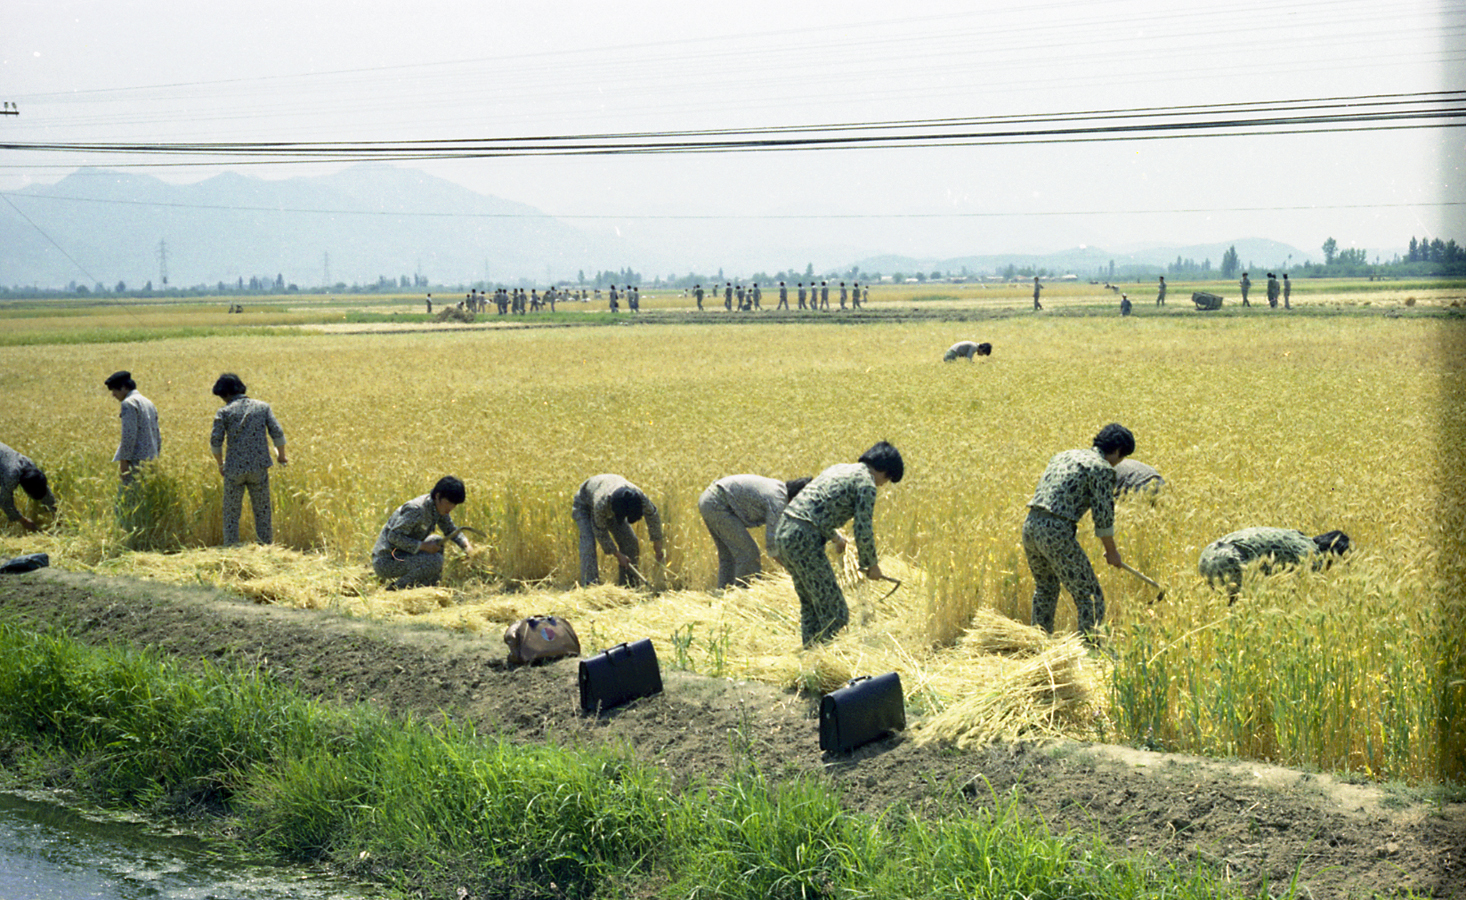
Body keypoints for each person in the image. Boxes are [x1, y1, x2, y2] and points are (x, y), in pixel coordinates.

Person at [773, 441, 903, 647]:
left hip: (784, 532)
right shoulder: (866, 483)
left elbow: (813, 509)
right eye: (886, 480)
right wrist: (871, 565)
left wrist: (835, 537)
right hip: (804, 539)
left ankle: (810, 660)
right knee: (836, 614)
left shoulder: (840, 468)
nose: (881, 485)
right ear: (885, 471)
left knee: (812, 607)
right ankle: (825, 666)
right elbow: (863, 528)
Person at [1022, 423, 1133, 637]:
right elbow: (1103, 518)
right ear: (1118, 451)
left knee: (1046, 588)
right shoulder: (1101, 468)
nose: (1119, 463)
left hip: (1030, 526)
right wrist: (1111, 552)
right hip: (1055, 531)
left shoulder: (1063, 456)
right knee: (1090, 596)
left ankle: (1036, 647)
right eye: (1122, 458)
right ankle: (1090, 654)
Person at [209, 373, 288, 545]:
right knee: (262, 511)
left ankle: (231, 548)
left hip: (234, 469)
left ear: (226, 393)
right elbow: (278, 433)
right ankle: (266, 548)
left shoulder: (224, 412)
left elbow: (215, 442)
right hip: (259, 467)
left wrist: (220, 464)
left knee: (231, 513)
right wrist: (281, 456)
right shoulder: (262, 407)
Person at [698, 474, 810, 589]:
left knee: (729, 557)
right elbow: (773, 546)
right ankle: (742, 599)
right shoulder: (779, 501)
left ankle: (722, 598)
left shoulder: (779, 490)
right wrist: (797, 573)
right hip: (717, 503)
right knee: (749, 555)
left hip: (709, 500)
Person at [372, 476, 474, 589]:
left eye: (454, 504)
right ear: (438, 496)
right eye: (449, 502)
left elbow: (450, 530)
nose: (451, 507)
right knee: (435, 561)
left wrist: (466, 545)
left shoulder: (438, 508)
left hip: (404, 554)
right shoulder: (416, 509)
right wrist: (423, 546)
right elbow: (394, 536)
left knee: (437, 541)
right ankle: (395, 589)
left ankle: (430, 587)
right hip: (388, 560)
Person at [1199, 528, 1350, 600]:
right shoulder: (1313, 557)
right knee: (1237, 616)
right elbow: (1294, 595)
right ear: (1335, 555)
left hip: (1208, 555)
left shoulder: (1297, 536)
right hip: (1229, 561)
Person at [573, 474, 665, 587]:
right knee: (589, 545)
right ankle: (590, 587)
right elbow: (600, 531)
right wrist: (618, 554)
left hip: (611, 506)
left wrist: (657, 544)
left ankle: (629, 586)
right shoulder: (601, 503)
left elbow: (652, 515)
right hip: (584, 505)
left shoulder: (639, 497)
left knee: (630, 542)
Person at [104, 370, 161, 485]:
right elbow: (157, 435)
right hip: (151, 460)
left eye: (114, 390)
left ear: (124, 388)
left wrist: (124, 463)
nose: (113, 395)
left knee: (131, 499)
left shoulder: (128, 404)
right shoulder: (148, 402)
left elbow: (128, 436)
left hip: (136, 463)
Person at [0, 442, 56, 532]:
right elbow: (5, 502)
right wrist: (23, 521)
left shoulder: (30, 466)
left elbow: (44, 489)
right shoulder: (11, 477)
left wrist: (55, 514)